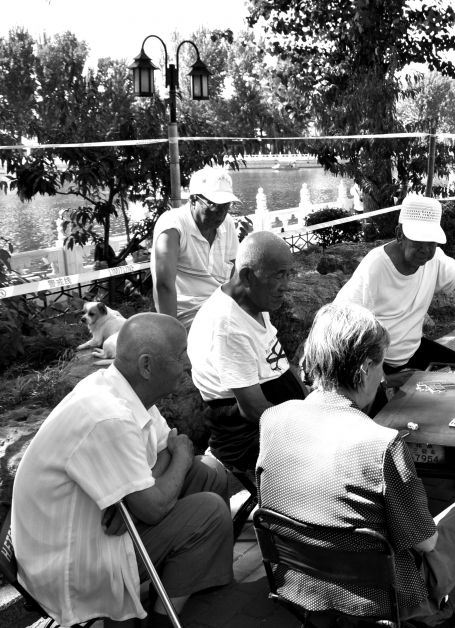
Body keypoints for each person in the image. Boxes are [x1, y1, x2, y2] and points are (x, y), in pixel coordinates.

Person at [257, 303, 455, 628]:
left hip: (301, 581)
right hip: (386, 595)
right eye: (381, 364)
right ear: (366, 367)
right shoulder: (381, 444)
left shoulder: (273, 419)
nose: (383, 376)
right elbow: (426, 543)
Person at [11, 313, 233, 627]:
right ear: (147, 366)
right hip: (71, 563)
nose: (188, 362)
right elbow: (158, 499)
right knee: (208, 510)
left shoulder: (127, 388)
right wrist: (173, 464)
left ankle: (194, 578)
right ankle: (160, 620)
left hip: (93, 531)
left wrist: (137, 494)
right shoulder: (109, 415)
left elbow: (162, 448)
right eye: (181, 354)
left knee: (207, 472)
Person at [334, 194, 455, 375]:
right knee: (386, 402)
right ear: (399, 235)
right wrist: (384, 377)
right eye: (418, 242)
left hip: (412, 350)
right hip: (378, 360)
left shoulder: (436, 259)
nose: (425, 250)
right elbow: (342, 320)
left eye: (431, 243)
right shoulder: (375, 265)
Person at [188, 231, 306, 472]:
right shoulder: (228, 325)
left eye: (288, 274)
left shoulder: (255, 300)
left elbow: (278, 362)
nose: (286, 286)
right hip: (249, 439)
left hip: (279, 421)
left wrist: (312, 400)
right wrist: (311, 422)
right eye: (279, 276)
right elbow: (253, 410)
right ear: (247, 276)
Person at [152, 166, 241, 328]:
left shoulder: (227, 223)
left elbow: (236, 274)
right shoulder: (173, 225)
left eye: (226, 205)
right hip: (186, 316)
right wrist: (171, 335)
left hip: (223, 309)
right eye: (214, 205)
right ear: (193, 199)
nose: (221, 212)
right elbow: (164, 285)